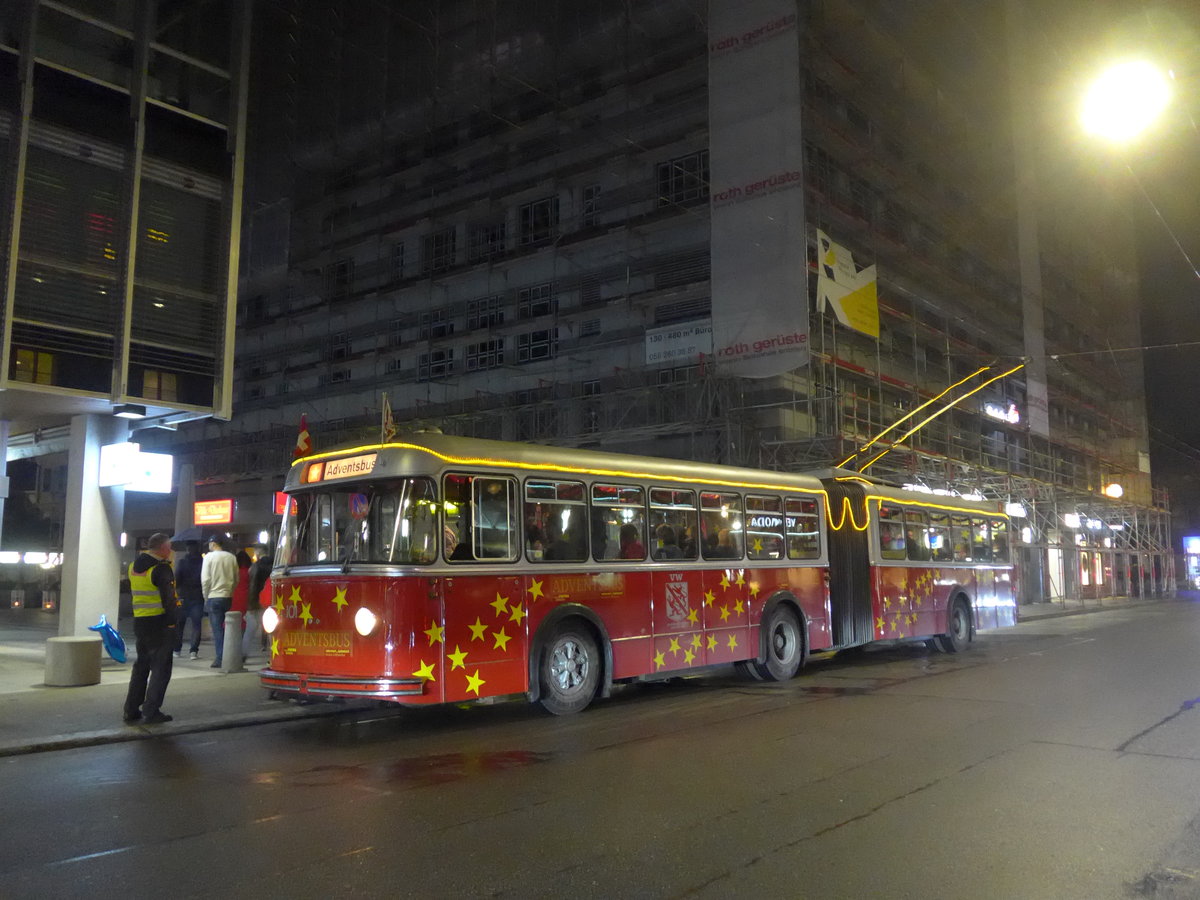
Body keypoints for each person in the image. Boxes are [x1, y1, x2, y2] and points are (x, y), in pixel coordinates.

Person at [123, 532, 180, 725]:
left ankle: (131, 709)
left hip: (141, 623)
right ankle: (151, 710)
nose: (170, 550)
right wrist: (173, 623)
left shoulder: (133, 567)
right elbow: (169, 600)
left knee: (141, 667)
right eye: (169, 547)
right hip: (160, 623)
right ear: (163, 548)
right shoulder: (161, 569)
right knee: (160, 669)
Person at [201, 535, 238, 668]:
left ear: (213, 544)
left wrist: (206, 596)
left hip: (213, 596)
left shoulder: (208, 558)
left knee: (217, 629)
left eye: (209, 544)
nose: (208, 546)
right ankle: (231, 655)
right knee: (229, 628)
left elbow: (205, 580)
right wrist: (230, 591)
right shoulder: (231, 557)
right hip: (227, 596)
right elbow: (236, 579)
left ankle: (221, 657)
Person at [173, 541, 205, 659]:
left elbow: (177, 579)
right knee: (196, 625)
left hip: (183, 596)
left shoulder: (182, 562)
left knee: (179, 624)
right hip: (198, 596)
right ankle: (193, 651)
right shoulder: (203, 562)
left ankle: (177, 650)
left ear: (187, 549)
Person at [247, 543, 274, 653]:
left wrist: (251, 601)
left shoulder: (256, 566)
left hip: (260, 597)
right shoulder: (275, 564)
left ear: (258, 552)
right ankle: (272, 647)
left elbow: (253, 584)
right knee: (272, 622)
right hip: (274, 596)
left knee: (254, 625)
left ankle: (244, 651)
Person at [230, 549, 253, 655]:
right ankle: (242, 645)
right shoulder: (249, 571)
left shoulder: (235, 571)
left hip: (235, 596)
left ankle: (233, 645)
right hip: (246, 597)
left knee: (234, 619)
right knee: (244, 620)